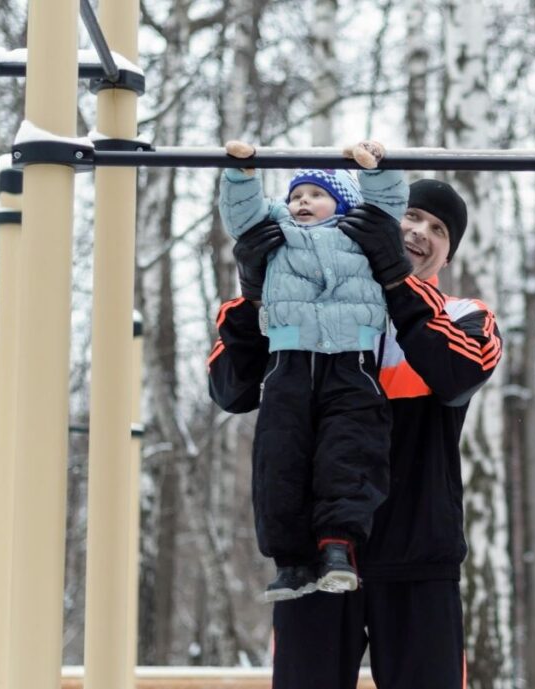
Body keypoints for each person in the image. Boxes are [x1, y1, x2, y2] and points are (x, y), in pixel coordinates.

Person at [207, 178, 502, 688]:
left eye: (438, 230)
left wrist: (393, 278)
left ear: (448, 256)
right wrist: (255, 295)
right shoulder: (295, 307)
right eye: (410, 217)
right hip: (316, 560)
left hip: (418, 559)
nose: (419, 232)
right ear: (376, 217)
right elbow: (230, 390)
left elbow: (456, 376)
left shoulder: (464, 317)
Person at [218, 140, 409, 602]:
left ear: (342, 202)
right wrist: (242, 174)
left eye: (315, 195)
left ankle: (338, 546)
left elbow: (387, 204)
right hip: (289, 361)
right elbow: (242, 217)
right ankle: (291, 561)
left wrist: (373, 167)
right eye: (296, 195)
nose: (302, 202)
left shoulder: (360, 232)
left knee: (348, 453)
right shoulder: (278, 232)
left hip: (351, 362)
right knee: (281, 457)